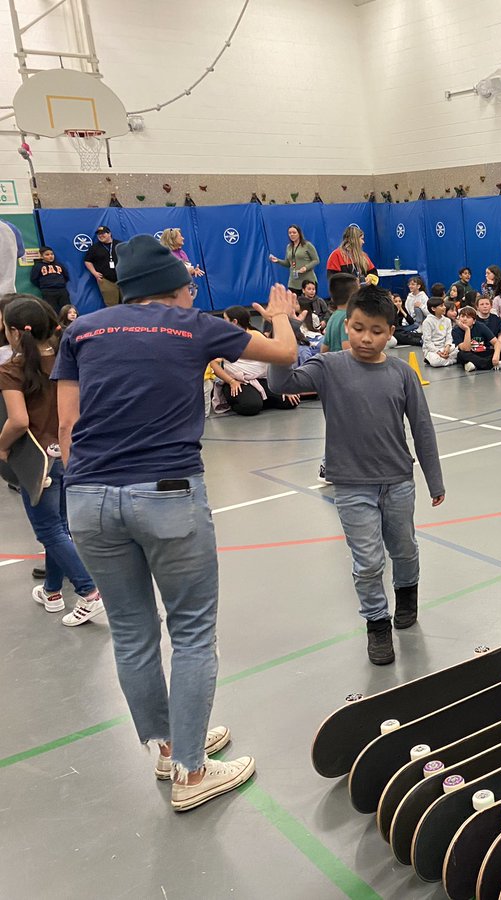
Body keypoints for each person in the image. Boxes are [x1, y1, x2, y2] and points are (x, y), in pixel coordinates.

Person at [53, 234, 299, 810]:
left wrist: (88, 481)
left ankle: (169, 748)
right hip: (167, 494)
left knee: (132, 633)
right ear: (177, 288)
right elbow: (285, 355)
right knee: (191, 632)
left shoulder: (81, 330)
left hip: (86, 497)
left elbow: (67, 426)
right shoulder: (193, 326)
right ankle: (192, 771)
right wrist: (280, 316)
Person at [267, 284, 443, 661]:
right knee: (367, 562)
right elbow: (280, 383)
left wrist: (435, 479)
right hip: (350, 486)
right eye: (359, 328)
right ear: (346, 324)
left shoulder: (402, 373)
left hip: (397, 482)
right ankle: (377, 624)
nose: (366, 338)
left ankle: (407, 595)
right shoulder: (329, 367)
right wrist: (283, 326)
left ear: (391, 332)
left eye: (377, 331)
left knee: (404, 549)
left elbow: (422, 428)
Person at [0, 296, 103, 626]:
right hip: (70, 453)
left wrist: (1, 447)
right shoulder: (67, 358)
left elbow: (18, 421)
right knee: (59, 527)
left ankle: (90, 592)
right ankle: (52, 591)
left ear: (15, 333)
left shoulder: (12, 370)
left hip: (38, 462)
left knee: (49, 530)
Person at [209, 306, 300, 416]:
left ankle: (260, 398)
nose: (223, 322)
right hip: (238, 382)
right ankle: (242, 399)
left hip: (261, 378)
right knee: (251, 407)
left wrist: (283, 386)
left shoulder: (256, 335)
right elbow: (213, 363)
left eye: (225, 319)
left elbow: (274, 358)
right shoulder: (224, 340)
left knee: (290, 402)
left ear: (234, 322)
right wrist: (231, 381)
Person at [269, 224, 320, 294]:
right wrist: (277, 260)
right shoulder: (289, 247)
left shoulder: (307, 245)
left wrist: (306, 268)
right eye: (290, 233)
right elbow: (288, 263)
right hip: (293, 283)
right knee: (293, 300)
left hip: (307, 282)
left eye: (294, 232)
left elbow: (316, 260)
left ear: (299, 233)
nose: (292, 235)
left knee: (307, 300)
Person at [452, 305, 499, 372]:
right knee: (461, 355)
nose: (464, 319)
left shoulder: (480, 326)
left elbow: (496, 342)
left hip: (483, 353)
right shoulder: (456, 330)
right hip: (470, 355)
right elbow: (466, 349)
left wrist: (496, 356)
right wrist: (467, 330)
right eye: (462, 316)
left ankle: (476, 365)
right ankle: (493, 365)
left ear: (474, 321)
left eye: (468, 317)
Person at [321, 273, 359, 354]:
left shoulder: (333, 317)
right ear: (353, 296)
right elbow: (347, 349)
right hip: (344, 361)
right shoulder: (348, 317)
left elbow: (324, 348)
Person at [83, 225, 121, 307]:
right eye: (99, 234)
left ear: (109, 234)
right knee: (111, 305)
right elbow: (87, 261)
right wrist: (95, 273)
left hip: (122, 278)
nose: (101, 236)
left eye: (103, 233)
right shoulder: (94, 248)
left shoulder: (120, 245)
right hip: (106, 280)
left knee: (129, 302)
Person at [30, 246, 71, 312]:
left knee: (66, 309)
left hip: (61, 290)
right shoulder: (38, 266)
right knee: (52, 310)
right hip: (48, 291)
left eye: (52, 254)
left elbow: (66, 276)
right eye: (47, 255)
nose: (50, 256)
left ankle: (66, 319)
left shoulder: (59, 265)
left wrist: (61, 283)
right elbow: (34, 279)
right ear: (41, 256)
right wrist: (44, 286)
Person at [420, 296, 457, 367]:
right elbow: (427, 341)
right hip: (432, 350)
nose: (444, 307)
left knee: (459, 350)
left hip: (445, 348)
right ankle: (453, 360)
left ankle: (445, 359)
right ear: (433, 309)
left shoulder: (447, 320)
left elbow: (449, 336)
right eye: (441, 306)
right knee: (435, 362)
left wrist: (447, 347)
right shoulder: (427, 322)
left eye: (444, 305)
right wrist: (438, 352)